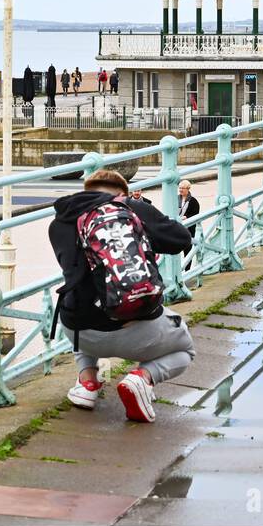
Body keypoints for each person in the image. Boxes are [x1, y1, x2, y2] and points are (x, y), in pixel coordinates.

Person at [49, 169, 193, 423]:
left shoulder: (62, 221)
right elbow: (181, 240)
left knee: (80, 298)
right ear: (123, 195)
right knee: (185, 350)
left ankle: (87, 383)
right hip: (136, 330)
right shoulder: (132, 208)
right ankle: (143, 378)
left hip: (78, 333)